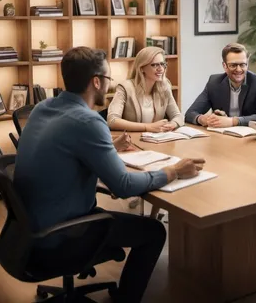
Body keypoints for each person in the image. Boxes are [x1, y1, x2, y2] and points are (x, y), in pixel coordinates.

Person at [13, 47, 205, 302]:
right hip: (62, 232)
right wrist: (172, 171)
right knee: (154, 231)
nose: (109, 85)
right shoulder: (89, 122)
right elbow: (123, 185)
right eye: (108, 79)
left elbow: (67, 150)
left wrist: (109, 148)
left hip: (29, 227)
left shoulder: (42, 108)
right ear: (96, 82)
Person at [185, 43, 256, 127]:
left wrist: (233, 121)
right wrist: (203, 119)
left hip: (251, 137)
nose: (239, 69)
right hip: (224, 136)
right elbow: (190, 113)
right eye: (233, 65)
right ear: (224, 66)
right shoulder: (214, 83)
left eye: (242, 65)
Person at [108, 46, 183, 132]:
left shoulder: (165, 86)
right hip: (131, 141)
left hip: (157, 140)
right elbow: (112, 120)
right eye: (155, 65)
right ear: (142, 68)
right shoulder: (125, 88)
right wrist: (147, 127)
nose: (160, 69)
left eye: (162, 64)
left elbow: (178, 116)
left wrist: (172, 124)